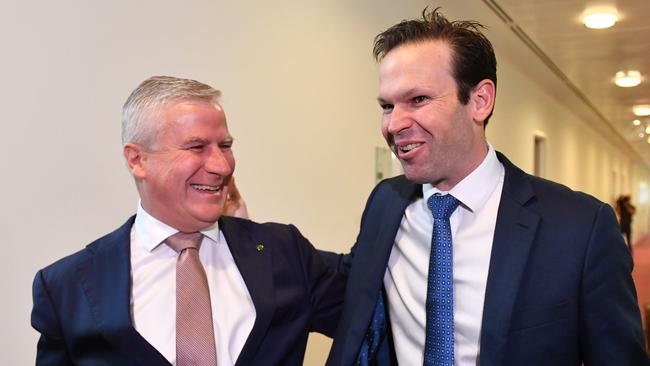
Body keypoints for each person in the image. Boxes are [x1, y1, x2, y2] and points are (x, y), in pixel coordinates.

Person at [325, 8, 647, 366]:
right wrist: (251, 239)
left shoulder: (581, 228)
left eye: (418, 100)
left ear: (480, 101)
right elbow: (346, 284)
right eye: (387, 105)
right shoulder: (386, 202)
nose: (394, 124)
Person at [31, 76, 345, 366]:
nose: (222, 166)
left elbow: (376, 301)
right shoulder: (68, 286)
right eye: (196, 147)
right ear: (137, 160)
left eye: (225, 146)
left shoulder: (283, 252)